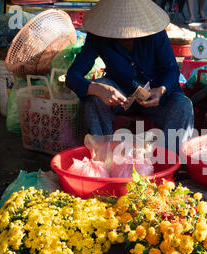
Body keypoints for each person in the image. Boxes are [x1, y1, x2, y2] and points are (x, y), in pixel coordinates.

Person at [66, 0, 194, 153]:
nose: (125, 35)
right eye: (118, 29)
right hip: (121, 96)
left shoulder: (155, 33)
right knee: (93, 99)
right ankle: (105, 156)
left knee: (184, 106)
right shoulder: (99, 36)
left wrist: (161, 90)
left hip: (157, 98)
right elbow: (72, 76)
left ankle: (168, 162)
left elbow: (171, 69)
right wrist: (96, 88)